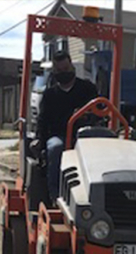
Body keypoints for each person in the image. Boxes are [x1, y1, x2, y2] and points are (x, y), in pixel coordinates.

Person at [34, 50, 98, 202]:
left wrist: (88, 116)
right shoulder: (50, 95)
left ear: (72, 68)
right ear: (54, 72)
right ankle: (55, 196)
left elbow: (100, 111)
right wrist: (39, 140)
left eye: (66, 69)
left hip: (85, 137)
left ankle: (95, 197)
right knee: (55, 148)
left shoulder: (87, 89)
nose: (63, 73)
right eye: (59, 71)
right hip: (60, 136)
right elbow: (42, 121)